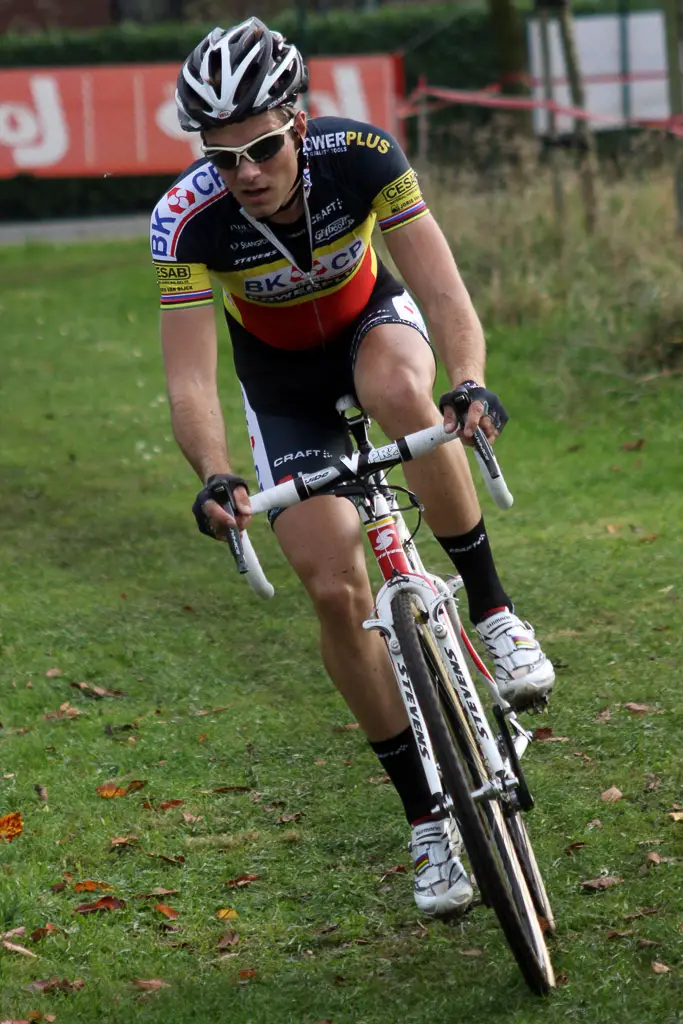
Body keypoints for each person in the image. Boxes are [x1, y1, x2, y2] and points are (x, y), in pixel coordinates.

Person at [151, 18, 555, 919]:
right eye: (221, 157)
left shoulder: (362, 157)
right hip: (280, 387)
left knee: (401, 400)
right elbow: (189, 377)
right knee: (332, 589)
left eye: (260, 147)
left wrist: (472, 381)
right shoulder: (186, 221)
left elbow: (441, 287)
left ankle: (489, 608)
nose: (245, 172)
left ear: (298, 122)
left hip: (377, 329)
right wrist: (217, 474)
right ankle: (425, 817)